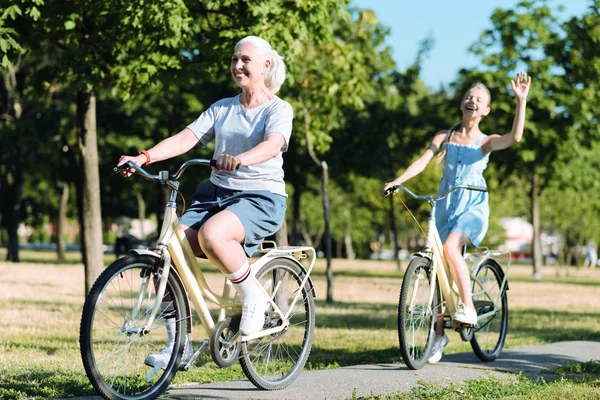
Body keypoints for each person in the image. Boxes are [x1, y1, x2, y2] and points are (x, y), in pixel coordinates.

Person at [117, 35, 293, 369]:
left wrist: (240, 160)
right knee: (167, 252)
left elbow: (272, 145)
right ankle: (178, 347)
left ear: (265, 65)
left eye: (245, 60)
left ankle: (252, 295)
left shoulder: (278, 109)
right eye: (233, 60)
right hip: (215, 194)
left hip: (260, 197)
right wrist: (145, 157)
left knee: (213, 235)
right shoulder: (222, 108)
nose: (237, 66)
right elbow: (187, 138)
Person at [382, 71, 532, 363]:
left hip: (473, 207)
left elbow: (515, 137)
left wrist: (521, 101)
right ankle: (438, 334)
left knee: (451, 248)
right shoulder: (445, 136)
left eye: (478, 100)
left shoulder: (486, 141)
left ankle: (468, 307)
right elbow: (423, 160)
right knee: (439, 270)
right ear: (461, 104)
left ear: (485, 110)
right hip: (445, 205)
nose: (471, 101)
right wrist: (397, 180)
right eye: (468, 97)